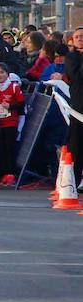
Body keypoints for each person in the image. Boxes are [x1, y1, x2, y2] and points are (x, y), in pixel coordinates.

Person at [65, 27, 83, 187]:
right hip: (78, 109)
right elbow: (76, 76)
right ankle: (74, 183)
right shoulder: (71, 57)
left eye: (82, 36)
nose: (80, 39)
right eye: (76, 36)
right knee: (76, 148)